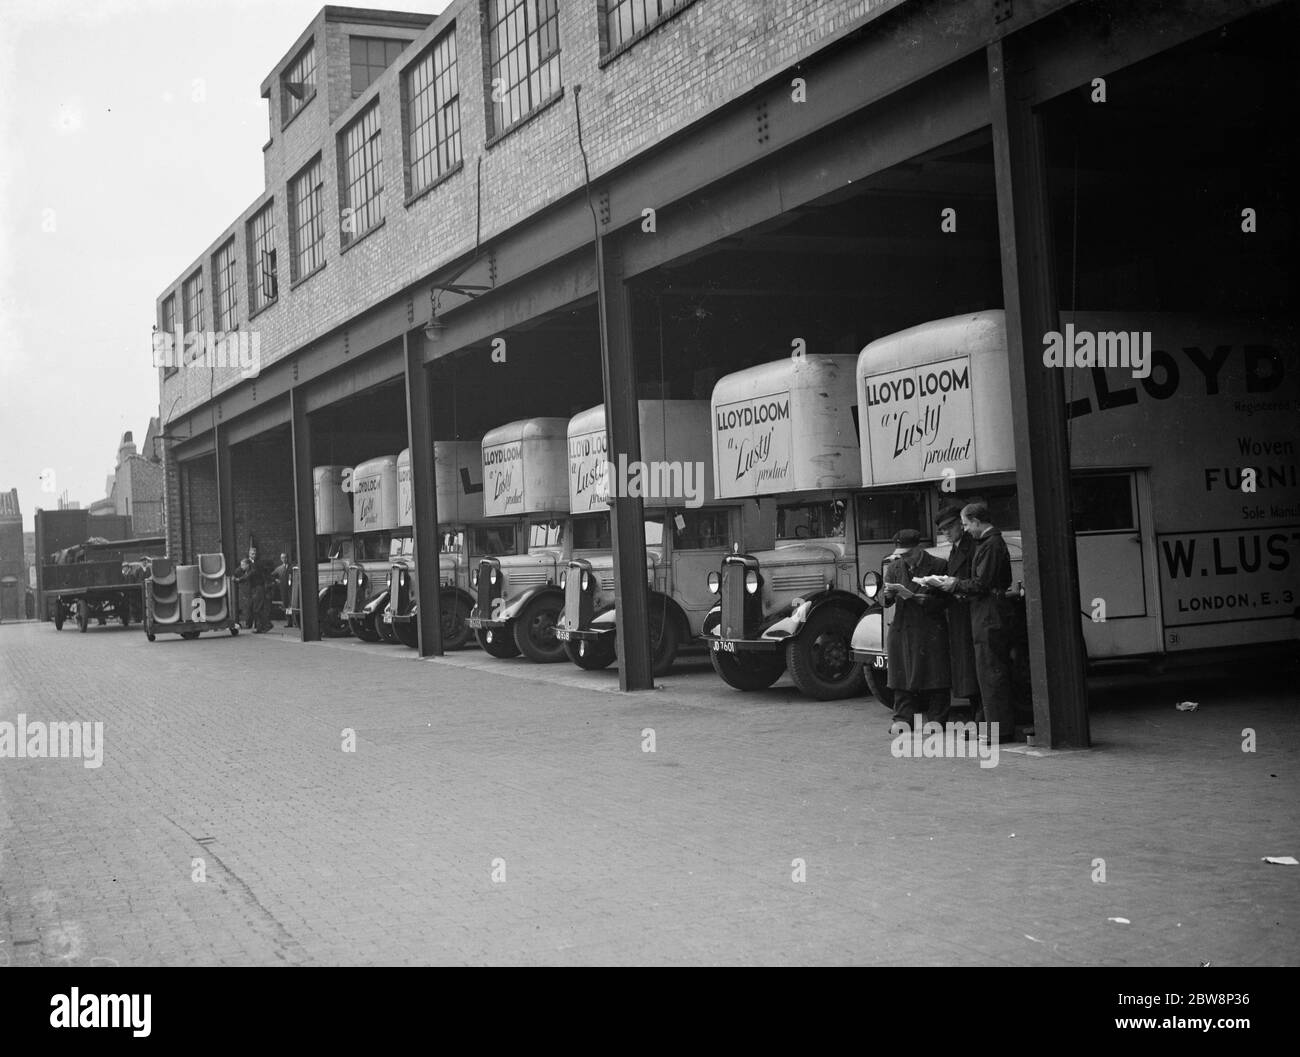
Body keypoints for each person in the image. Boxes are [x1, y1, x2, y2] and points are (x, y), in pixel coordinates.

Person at [943, 501, 1016, 743]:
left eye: (965, 524)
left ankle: (999, 730)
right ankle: (994, 727)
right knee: (988, 670)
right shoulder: (989, 544)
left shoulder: (990, 545)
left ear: (976, 521)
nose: (966, 530)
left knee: (991, 670)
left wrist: (954, 584)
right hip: (987, 610)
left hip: (988, 612)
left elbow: (981, 583)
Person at [881, 528, 952, 731]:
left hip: (929, 626)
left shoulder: (938, 565)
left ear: (919, 548)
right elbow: (883, 599)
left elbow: (947, 599)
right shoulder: (895, 567)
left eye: (909, 554)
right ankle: (902, 718)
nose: (906, 559)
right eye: (902, 555)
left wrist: (927, 600)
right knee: (901, 674)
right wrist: (887, 595)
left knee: (935, 674)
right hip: (903, 626)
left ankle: (937, 720)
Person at [934, 503, 982, 722]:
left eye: (949, 528)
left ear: (960, 526)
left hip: (970, 612)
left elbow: (977, 580)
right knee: (967, 667)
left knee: (974, 666)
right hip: (961, 614)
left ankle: (981, 716)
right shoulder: (957, 548)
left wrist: (954, 584)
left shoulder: (971, 547)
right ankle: (977, 714)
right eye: (943, 530)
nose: (946, 533)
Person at [273, 553, 291, 623]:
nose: (284, 559)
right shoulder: (279, 569)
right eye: (283, 558)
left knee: (291, 604)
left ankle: (292, 621)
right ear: (281, 559)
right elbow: (272, 575)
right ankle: (288, 621)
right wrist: (276, 580)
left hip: (291, 588)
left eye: (285, 557)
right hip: (283, 589)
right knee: (285, 604)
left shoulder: (291, 567)